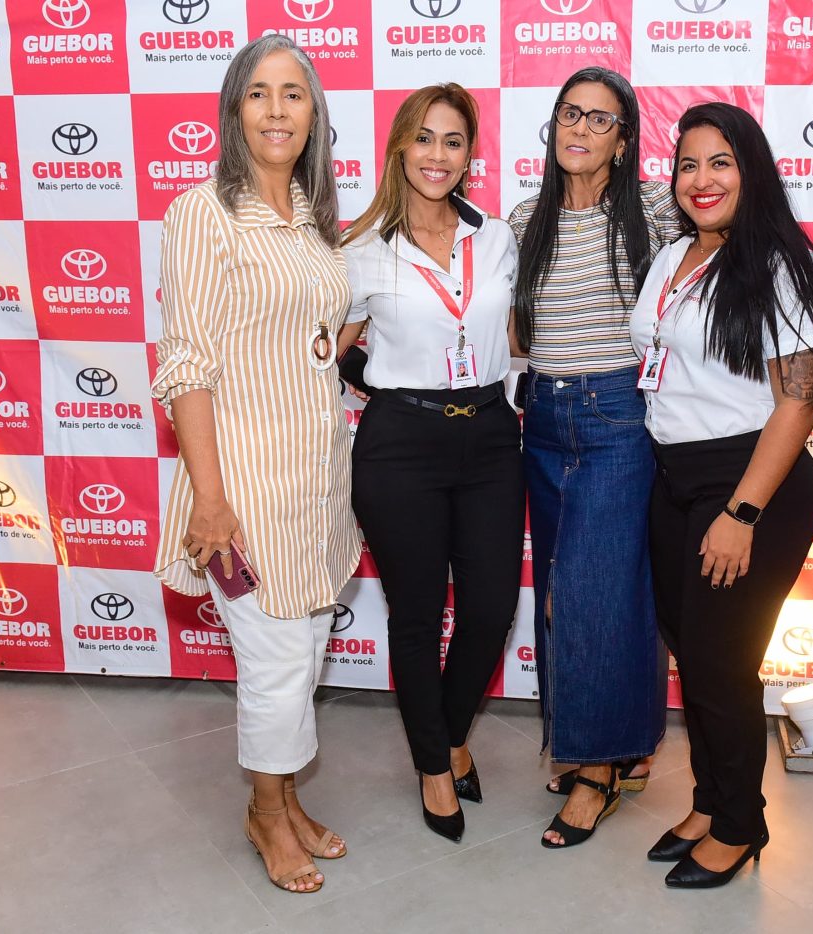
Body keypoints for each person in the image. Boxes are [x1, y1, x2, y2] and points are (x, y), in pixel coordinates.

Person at [151, 35, 358, 895]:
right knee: (276, 662)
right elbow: (188, 364)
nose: (277, 110)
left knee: (305, 651)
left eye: (294, 95)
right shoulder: (202, 213)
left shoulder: (311, 220)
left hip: (318, 479)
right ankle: (268, 815)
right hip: (242, 484)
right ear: (235, 111)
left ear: (314, 115)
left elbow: (312, 337)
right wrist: (210, 500)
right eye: (259, 94)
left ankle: (284, 796)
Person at [630, 101, 813, 889]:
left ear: (750, 170)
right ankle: (712, 800)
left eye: (720, 162)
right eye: (688, 164)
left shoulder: (783, 265)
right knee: (694, 648)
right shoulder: (672, 259)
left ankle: (742, 826)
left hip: (751, 484)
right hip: (674, 478)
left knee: (722, 663)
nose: (701, 179)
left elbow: (798, 401)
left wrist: (742, 511)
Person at [338, 84, 524, 843]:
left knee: (488, 609)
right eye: (423, 139)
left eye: (453, 141)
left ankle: (445, 733)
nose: (437, 155)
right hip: (401, 445)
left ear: (469, 154)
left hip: (487, 435)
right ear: (398, 148)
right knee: (416, 616)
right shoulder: (361, 248)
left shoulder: (498, 238)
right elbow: (333, 351)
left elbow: (511, 337)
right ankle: (435, 765)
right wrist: (383, 386)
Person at [508, 67, 682, 848]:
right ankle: (609, 740)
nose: (579, 128)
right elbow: (512, 330)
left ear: (624, 139)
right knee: (560, 590)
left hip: (618, 417)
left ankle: (598, 769)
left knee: (600, 591)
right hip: (543, 417)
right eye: (569, 113)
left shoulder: (650, 208)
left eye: (600, 119)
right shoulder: (523, 220)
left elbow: (729, 225)